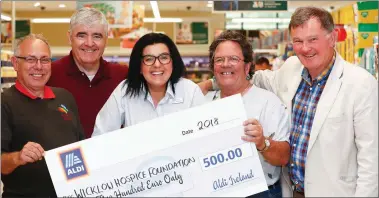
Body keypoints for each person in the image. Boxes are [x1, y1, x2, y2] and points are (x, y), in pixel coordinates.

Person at [202, 6, 378, 197]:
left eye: (313, 39)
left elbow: (371, 158)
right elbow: (255, 77)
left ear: (332, 38)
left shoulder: (361, 84)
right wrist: (211, 83)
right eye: (298, 41)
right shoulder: (292, 68)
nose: (305, 48)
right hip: (292, 191)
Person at [206, 30, 290, 198]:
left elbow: (283, 157)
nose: (225, 64)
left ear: (247, 66)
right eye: (219, 60)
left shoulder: (269, 103)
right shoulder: (203, 103)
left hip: (259, 192)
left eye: (233, 59)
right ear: (213, 67)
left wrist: (262, 142)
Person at [1, 34, 85, 196]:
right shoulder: (4, 103)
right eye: (31, 59)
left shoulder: (65, 98)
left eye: (45, 60)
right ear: (15, 63)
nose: (39, 66)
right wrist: (18, 157)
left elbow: (80, 147)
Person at [92, 33, 205, 136]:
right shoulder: (125, 90)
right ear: (140, 67)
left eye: (164, 58)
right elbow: (101, 134)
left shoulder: (190, 91)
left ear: (173, 63)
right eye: (149, 59)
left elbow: (205, 135)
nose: (157, 64)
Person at [47, 7, 129, 138]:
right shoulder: (49, 74)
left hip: (112, 156)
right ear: (69, 38)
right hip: (66, 157)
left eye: (97, 36)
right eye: (81, 35)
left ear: (106, 40)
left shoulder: (123, 76)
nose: (89, 43)